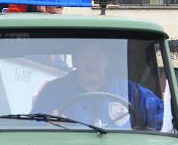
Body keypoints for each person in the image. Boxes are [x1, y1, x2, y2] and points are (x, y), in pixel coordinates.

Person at [32, 41, 170, 132]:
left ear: (106, 61)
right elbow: (31, 123)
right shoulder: (54, 91)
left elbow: (162, 117)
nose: (91, 64)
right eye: (85, 58)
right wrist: (48, 123)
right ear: (75, 61)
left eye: (96, 57)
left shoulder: (131, 92)